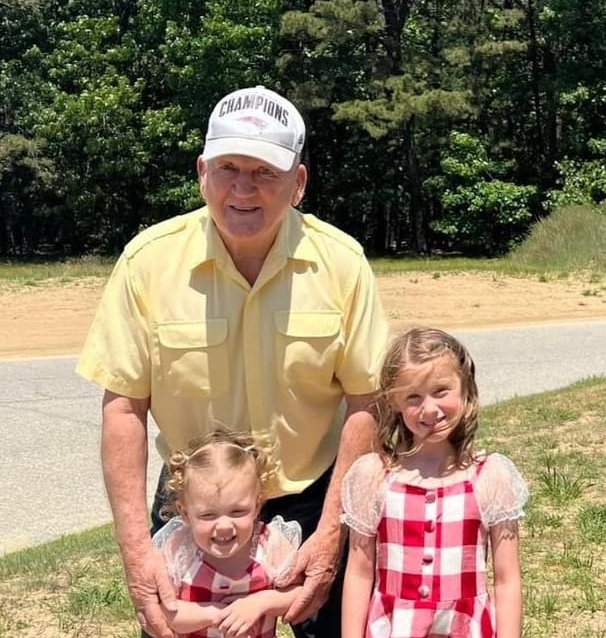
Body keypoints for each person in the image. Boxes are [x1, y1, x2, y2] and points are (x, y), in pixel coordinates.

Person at [77, 84, 389, 638]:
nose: (243, 188)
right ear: (202, 172)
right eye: (228, 168)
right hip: (191, 504)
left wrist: (334, 528)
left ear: (298, 183)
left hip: (314, 497)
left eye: (265, 172)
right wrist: (135, 548)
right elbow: (123, 408)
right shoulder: (148, 263)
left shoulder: (342, 264)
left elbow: (366, 401)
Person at [339, 327, 527, 638]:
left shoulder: (491, 476)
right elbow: (359, 573)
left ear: (464, 390)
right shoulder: (373, 476)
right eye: (413, 397)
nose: (429, 409)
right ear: (394, 402)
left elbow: (507, 579)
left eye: (441, 391)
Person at [153, 428, 301, 637]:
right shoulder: (179, 549)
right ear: (184, 513)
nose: (223, 525)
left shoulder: (270, 545)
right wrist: (218, 614)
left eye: (237, 511)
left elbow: (299, 594)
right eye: (208, 515)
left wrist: (261, 602)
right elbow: (167, 611)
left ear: (257, 506)